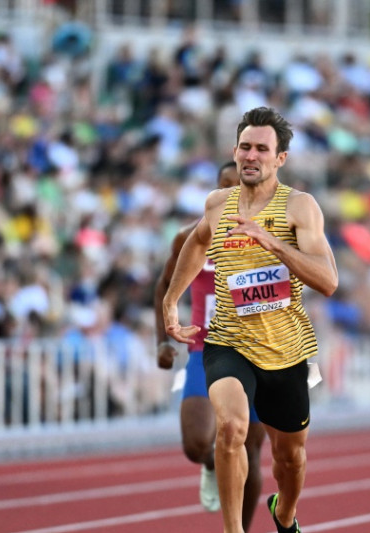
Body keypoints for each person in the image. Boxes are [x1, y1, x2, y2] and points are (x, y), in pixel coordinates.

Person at [163, 107, 338, 533]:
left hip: (286, 350)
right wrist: (172, 302)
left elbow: (328, 281)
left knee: (290, 458)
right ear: (234, 151)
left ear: (280, 158)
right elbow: (195, 243)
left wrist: (273, 243)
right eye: (245, 146)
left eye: (262, 148)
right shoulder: (217, 204)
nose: (251, 155)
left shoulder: (300, 207)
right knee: (231, 429)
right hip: (228, 340)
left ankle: (285, 513)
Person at [153, 162, 265, 529]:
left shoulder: (271, 235)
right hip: (206, 352)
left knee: (250, 450)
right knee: (196, 444)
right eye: (224, 187)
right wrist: (162, 340)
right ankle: (213, 462)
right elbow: (164, 286)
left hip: (259, 356)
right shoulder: (190, 237)